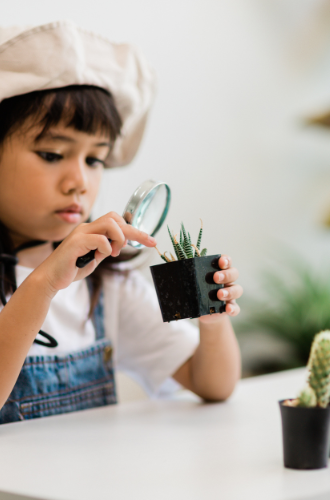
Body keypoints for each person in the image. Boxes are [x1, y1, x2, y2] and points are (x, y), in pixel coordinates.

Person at [0, 21, 242, 424]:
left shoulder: (106, 284)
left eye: (95, 159)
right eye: (52, 154)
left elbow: (214, 384)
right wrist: (43, 284)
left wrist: (213, 322)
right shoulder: (60, 283)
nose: (78, 181)